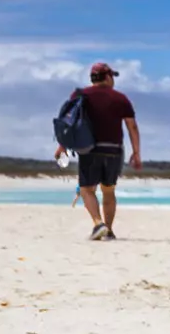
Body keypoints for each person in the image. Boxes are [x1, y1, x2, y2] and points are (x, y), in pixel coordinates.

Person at [57, 61, 140, 241]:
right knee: (108, 191)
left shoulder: (80, 95)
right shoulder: (121, 98)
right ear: (108, 77)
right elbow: (132, 127)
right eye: (112, 76)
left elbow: (67, 122)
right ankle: (108, 230)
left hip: (89, 149)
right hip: (114, 150)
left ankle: (97, 223)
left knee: (87, 190)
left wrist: (62, 146)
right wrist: (136, 152)